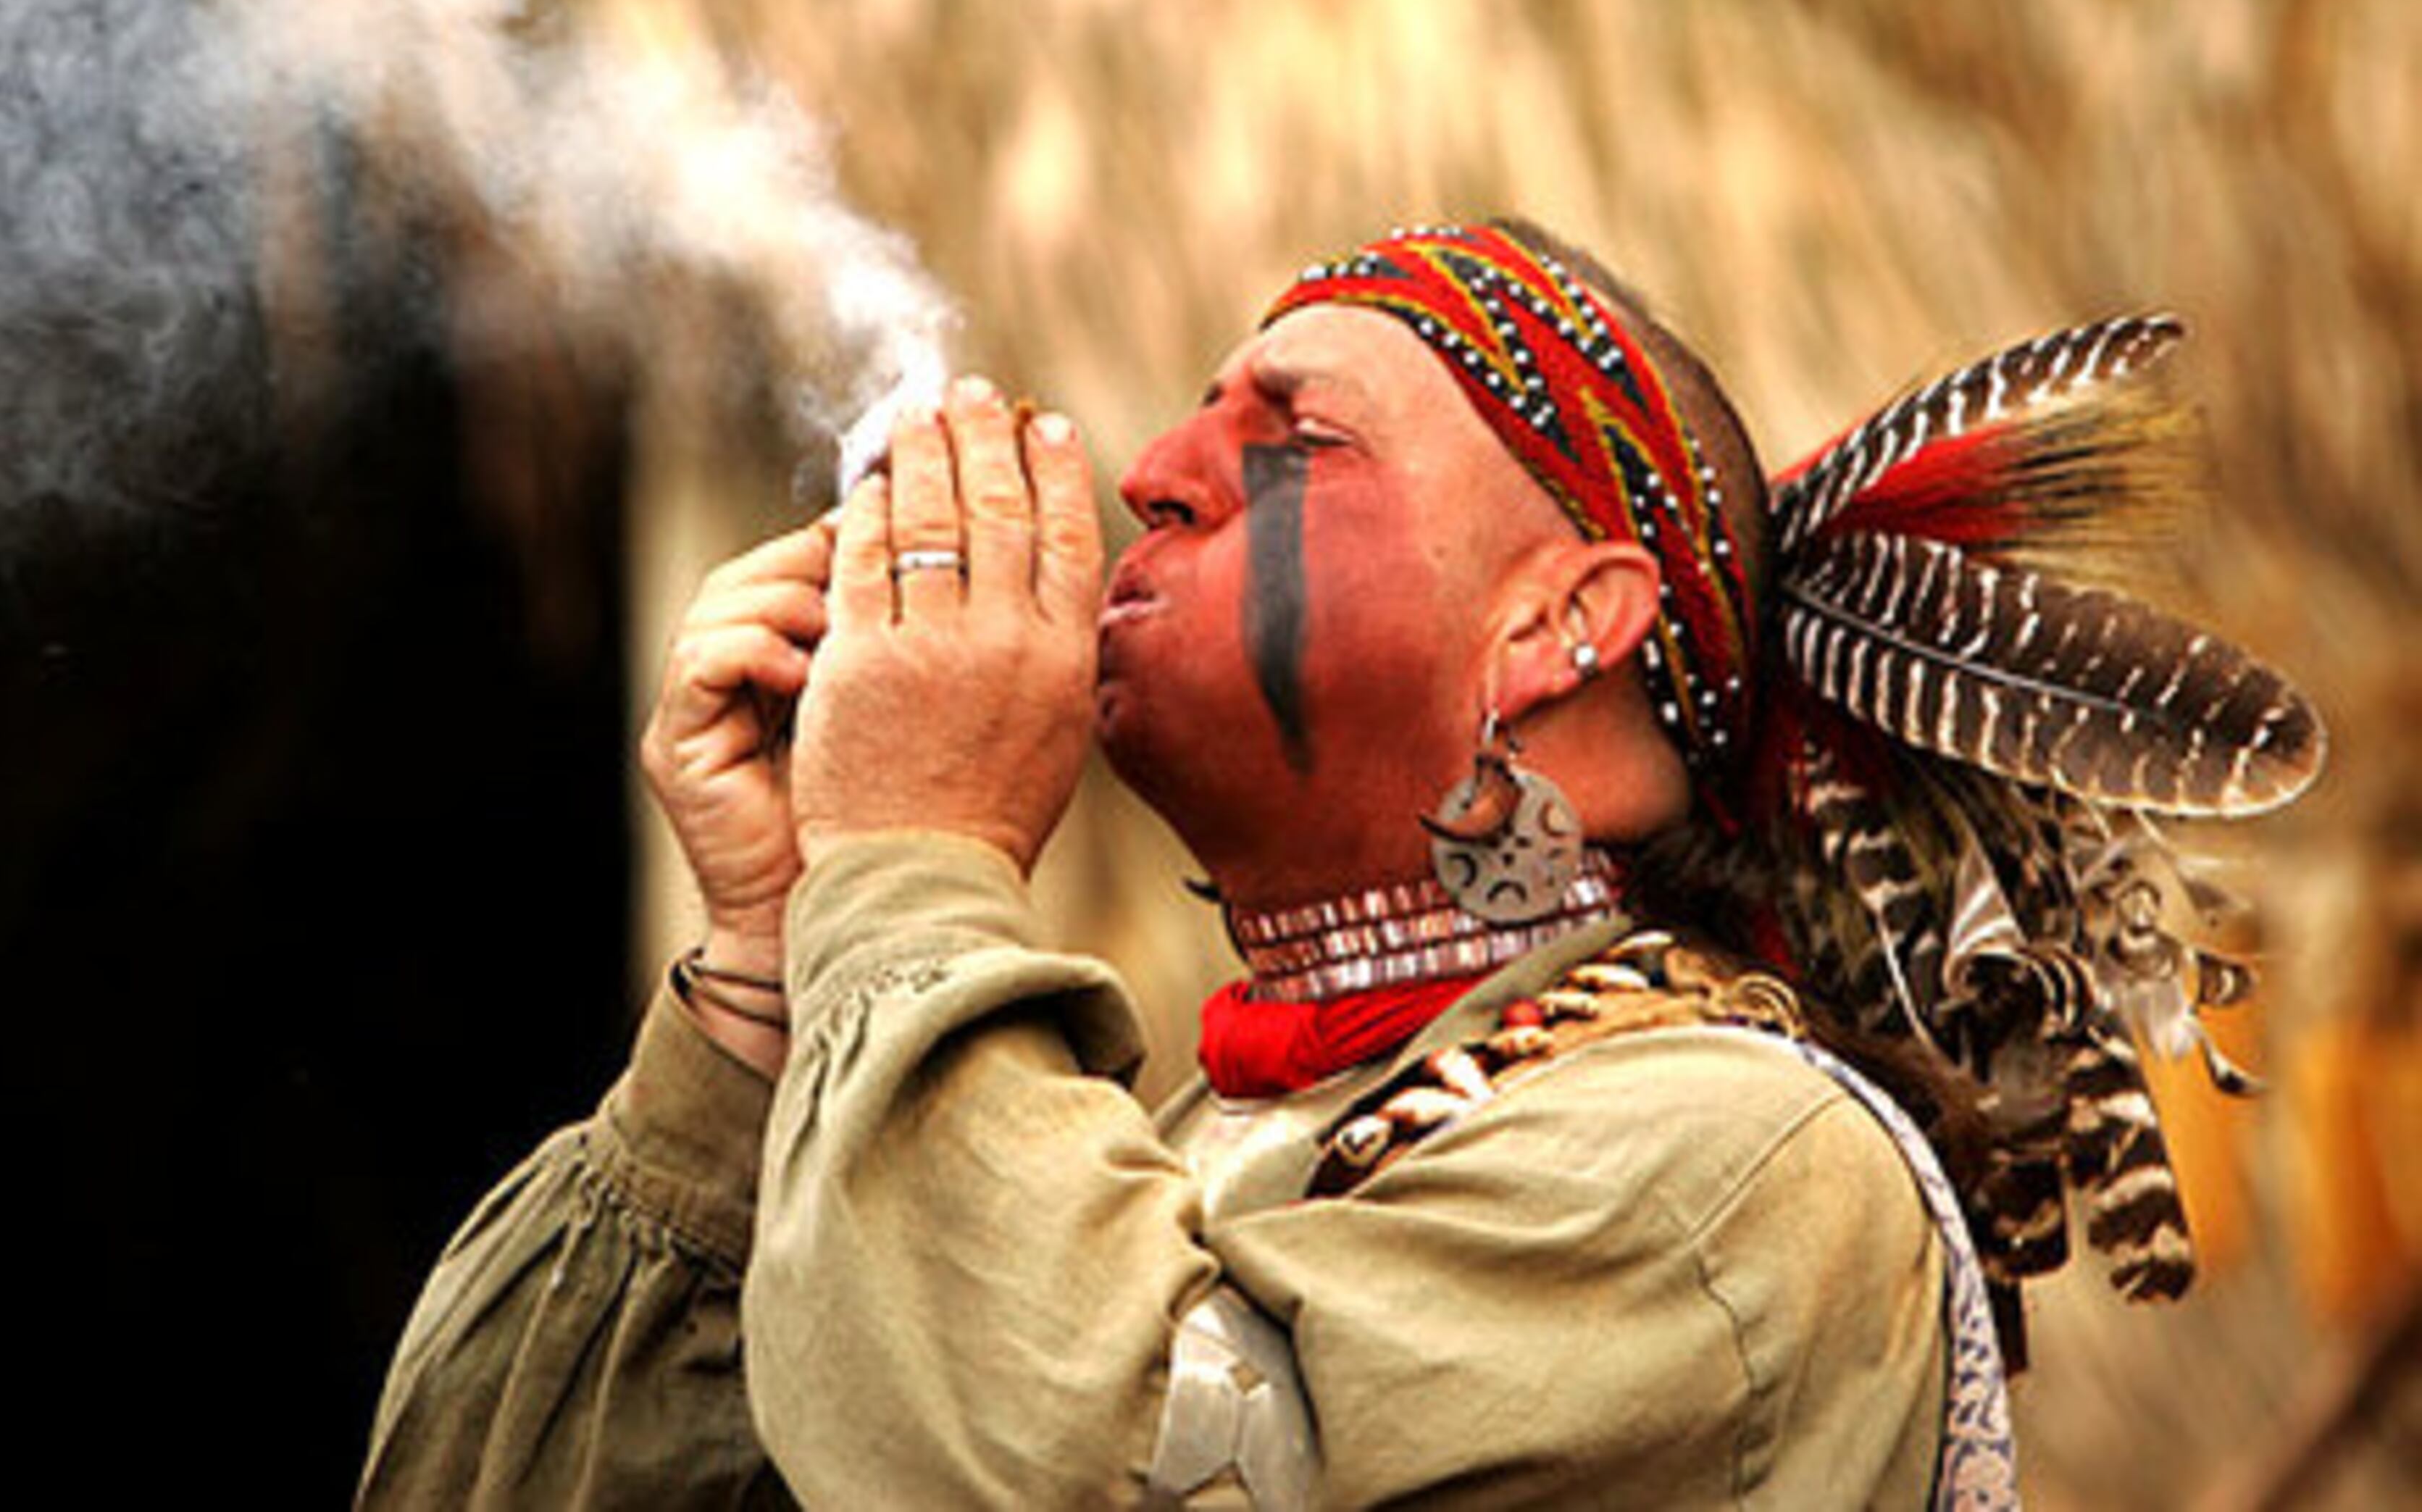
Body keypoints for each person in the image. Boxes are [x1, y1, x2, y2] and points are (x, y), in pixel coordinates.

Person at [356, 220, 2318, 1509]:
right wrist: (783, 977)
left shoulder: (1738, 1164)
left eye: (1289, 434)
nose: (1152, 469)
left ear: (1564, 621)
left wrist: (921, 854)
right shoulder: (1135, 1154)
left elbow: (1074, 1468)